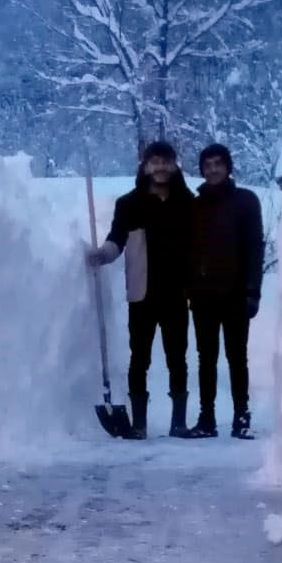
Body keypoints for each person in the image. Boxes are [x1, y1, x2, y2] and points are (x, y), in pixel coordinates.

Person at [86, 140, 194, 440]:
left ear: (174, 165)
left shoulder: (187, 203)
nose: (160, 167)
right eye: (154, 161)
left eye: (166, 161)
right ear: (145, 166)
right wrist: (103, 254)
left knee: (177, 357)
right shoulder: (129, 204)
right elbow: (116, 240)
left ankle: (179, 423)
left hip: (176, 292)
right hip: (142, 292)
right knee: (140, 358)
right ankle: (139, 424)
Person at [187, 143, 264, 439]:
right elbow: (188, 252)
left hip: (235, 295)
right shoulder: (196, 206)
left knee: (237, 358)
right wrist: (189, 289)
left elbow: (255, 248)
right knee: (205, 359)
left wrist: (252, 291)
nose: (213, 169)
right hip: (204, 297)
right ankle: (207, 419)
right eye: (208, 164)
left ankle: (241, 418)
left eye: (218, 163)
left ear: (228, 167)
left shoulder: (246, 201)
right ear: (202, 170)